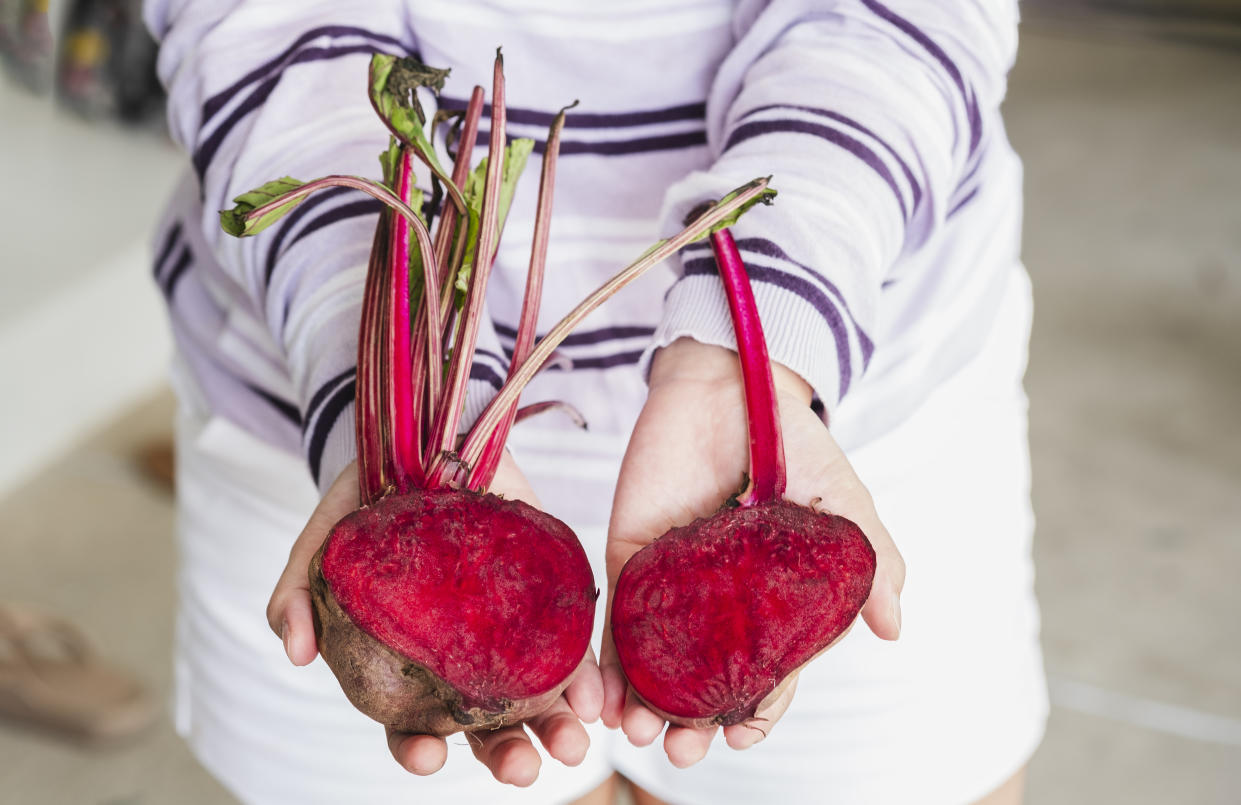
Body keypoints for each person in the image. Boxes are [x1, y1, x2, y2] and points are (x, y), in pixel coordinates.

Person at [146, 0, 1047, 802]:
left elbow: (898, 21)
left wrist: (762, 344)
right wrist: (373, 376)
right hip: (335, 404)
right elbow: (261, 28)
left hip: (834, 390)